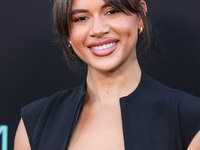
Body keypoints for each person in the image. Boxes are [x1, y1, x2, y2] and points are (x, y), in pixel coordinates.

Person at [14, 0, 200, 149]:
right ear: (67, 33)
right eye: (81, 18)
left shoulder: (189, 120)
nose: (98, 30)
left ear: (140, 16)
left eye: (111, 11)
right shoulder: (35, 121)